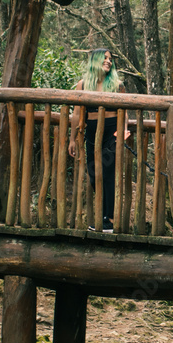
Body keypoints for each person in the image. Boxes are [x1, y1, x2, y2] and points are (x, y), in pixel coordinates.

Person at [68, 48, 126, 233]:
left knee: (108, 173)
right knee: (94, 173)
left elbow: (124, 113)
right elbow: (77, 114)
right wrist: (72, 139)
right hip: (92, 133)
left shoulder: (118, 85)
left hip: (112, 132)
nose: (109, 61)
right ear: (95, 61)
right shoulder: (83, 85)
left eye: (110, 59)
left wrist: (122, 134)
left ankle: (110, 219)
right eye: (105, 58)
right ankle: (103, 216)